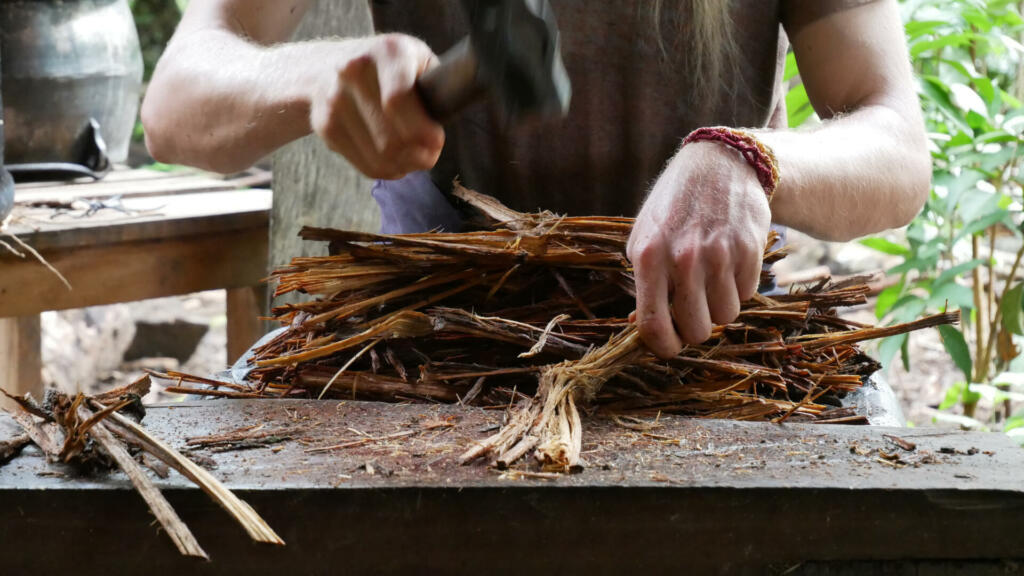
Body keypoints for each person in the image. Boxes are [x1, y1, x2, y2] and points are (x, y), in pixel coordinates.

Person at [142, 0, 929, 360]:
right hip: (438, 335)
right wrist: (312, 76)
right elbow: (176, 103)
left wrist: (746, 158)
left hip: (704, 335)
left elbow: (897, 148)